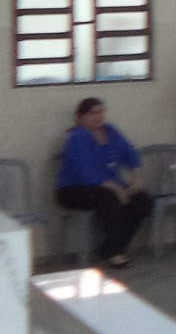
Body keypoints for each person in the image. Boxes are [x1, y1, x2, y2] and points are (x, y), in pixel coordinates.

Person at [55, 98, 153, 267]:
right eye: (93, 113)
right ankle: (115, 253)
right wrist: (117, 190)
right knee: (109, 199)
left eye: (101, 112)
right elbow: (87, 175)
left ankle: (111, 246)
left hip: (109, 186)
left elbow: (130, 154)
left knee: (142, 200)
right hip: (73, 189)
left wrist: (137, 178)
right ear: (81, 117)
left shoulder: (111, 131)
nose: (98, 116)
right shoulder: (77, 137)